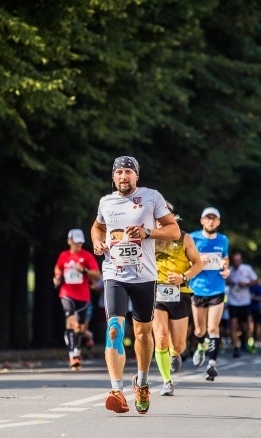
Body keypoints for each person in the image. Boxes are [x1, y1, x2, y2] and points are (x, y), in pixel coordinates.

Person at [90, 156, 179, 414]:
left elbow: (173, 231)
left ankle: (141, 381)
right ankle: (116, 391)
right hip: (114, 274)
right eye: (119, 173)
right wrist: (97, 242)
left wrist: (148, 232)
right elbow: (97, 227)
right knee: (114, 329)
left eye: (128, 172)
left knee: (142, 333)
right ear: (113, 177)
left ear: (136, 176)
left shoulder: (152, 197)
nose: (123, 176)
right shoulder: (106, 202)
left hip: (144, 276)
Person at [152, 205, 204, 396]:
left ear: (172, 218)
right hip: (155, 292)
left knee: (179, 345)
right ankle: (167, 381)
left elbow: (198, 263)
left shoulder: (184, 238)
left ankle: (175, 355)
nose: (160, 220)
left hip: (179, 293)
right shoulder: (147, 238)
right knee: (161, 336)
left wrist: (184, 276)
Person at [188, 207, 231, 381]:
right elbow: (184, 261)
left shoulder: (223, 240)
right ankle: (201, 346)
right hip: (197, 288)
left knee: (213, 328)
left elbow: (225, 259)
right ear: (202, 220)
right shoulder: (192, 238)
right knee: (199, 330)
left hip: (217, 288)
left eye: (214, 219)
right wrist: (198, 259)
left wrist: (226, 269)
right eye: (208, 218)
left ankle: (212, 364)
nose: (211, 221)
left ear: (218, 222)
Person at [53, 228, 101, 370]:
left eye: (80, 242)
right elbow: (58, 269)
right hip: (66, 294)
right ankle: (73, 355)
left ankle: (85, 339)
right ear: (69, 241)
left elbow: (97, 276)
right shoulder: (63, 255)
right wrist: (57, 277)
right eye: (75, 242)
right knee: (71, 322)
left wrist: (84, 270)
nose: (78, 245)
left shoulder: (87, 256)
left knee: (79, 328)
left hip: (83, 296)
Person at [226, 251, 258, 358]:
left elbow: (256, 281)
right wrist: (229, 281)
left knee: (245, 326)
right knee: (233, 325)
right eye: (234, 261)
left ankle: (246, 342)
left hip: (244, 301)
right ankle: (236, 347)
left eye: (238, 260)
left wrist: (246, 284)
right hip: (233, 301)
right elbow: (224, 281)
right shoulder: (229, 270)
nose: (236, 263)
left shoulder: (247, 269)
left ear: (241, 260)